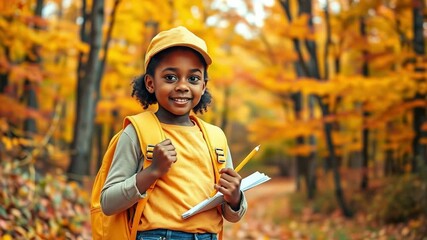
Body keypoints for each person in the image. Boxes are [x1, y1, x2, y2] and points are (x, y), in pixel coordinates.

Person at [100, 26, 247, 240]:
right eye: (170, 77)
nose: (182, 86)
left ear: (204, 86)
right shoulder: (137, 132)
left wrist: (235, 197)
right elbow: (108, 203)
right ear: (150, 83)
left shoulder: (215, 138)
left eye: (193, 79)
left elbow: (232, 216)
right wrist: (152, 172)